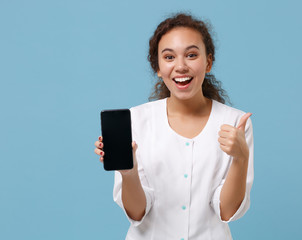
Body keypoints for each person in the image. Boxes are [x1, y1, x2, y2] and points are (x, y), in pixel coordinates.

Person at [94, 13, 254, 240]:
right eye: (169, 57)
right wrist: (128, 173)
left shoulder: (236, 123)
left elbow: (227, 212)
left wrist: (241, 158)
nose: (180, 66)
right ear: (157, 67)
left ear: (208, 62)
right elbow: (137, 212)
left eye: (191, 55)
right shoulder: (136, 121)